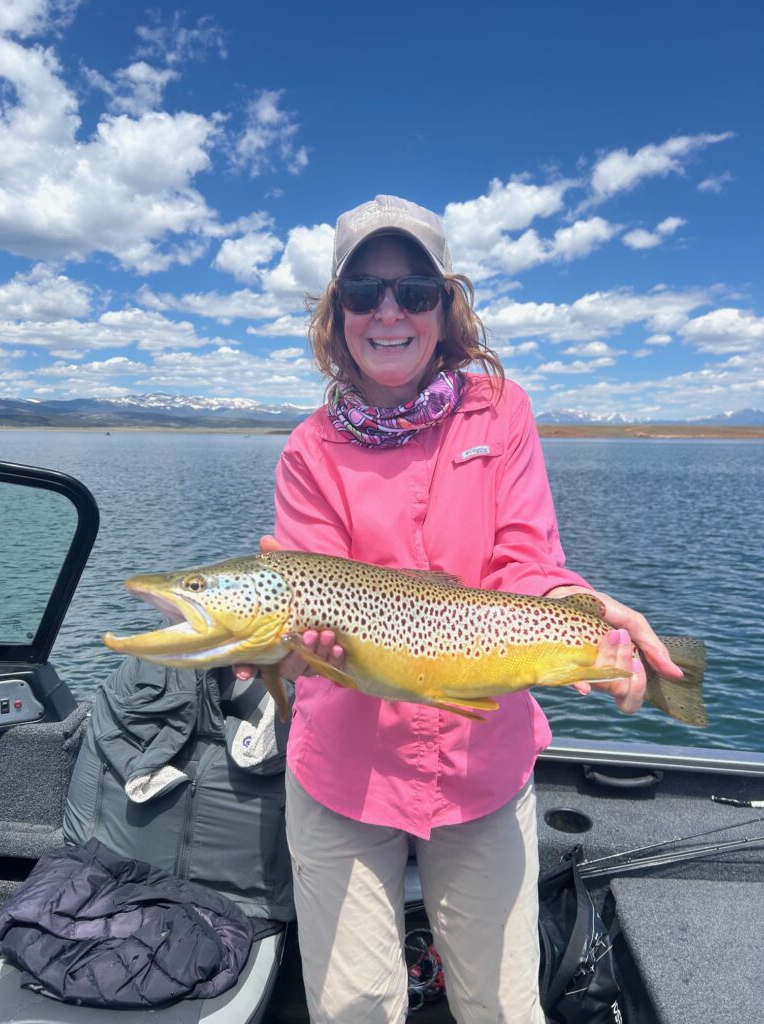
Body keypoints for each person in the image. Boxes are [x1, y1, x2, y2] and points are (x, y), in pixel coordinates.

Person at [235, 195, 684, 1023]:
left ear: (446, 308)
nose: (389, 312)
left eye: (414, 291)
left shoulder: (502, 413)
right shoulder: (305, 452)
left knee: (503, 1007)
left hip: (483, 764)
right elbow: (312, 597)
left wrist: (576, 606)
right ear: (337, 314)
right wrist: (286, 650)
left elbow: (527, 562)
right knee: (353, 1009)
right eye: (364, 292)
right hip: (343, 770)